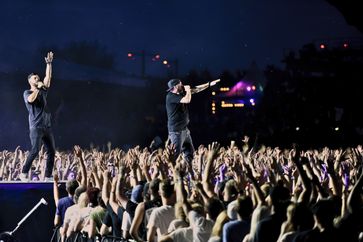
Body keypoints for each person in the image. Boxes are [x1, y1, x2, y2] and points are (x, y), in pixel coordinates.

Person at [19, 51, 55, 181]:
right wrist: (38, 88)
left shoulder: (43, 90)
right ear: (30, 81)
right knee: (35, 150)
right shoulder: (27, 92)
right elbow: (31, 100)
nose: (38, 79)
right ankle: (23, 173)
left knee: (52, 151)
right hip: (36, 126)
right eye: (35, 78)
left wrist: (49, 64)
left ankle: (48, 175)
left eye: (38, 78)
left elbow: (48, 78)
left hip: (47, 125)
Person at [165, 78, 220, 162]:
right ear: (176, 86)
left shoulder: (180, 92)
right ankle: (167, 172)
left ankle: (188, 171)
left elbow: (195, 89)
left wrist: (208, 84)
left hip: (184, 130)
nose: (182, 85)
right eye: (181, 84)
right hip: (176, 132)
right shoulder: (170, 96)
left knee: (190, 154)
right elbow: (187, 100)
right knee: (174, 155)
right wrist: (187, 90)